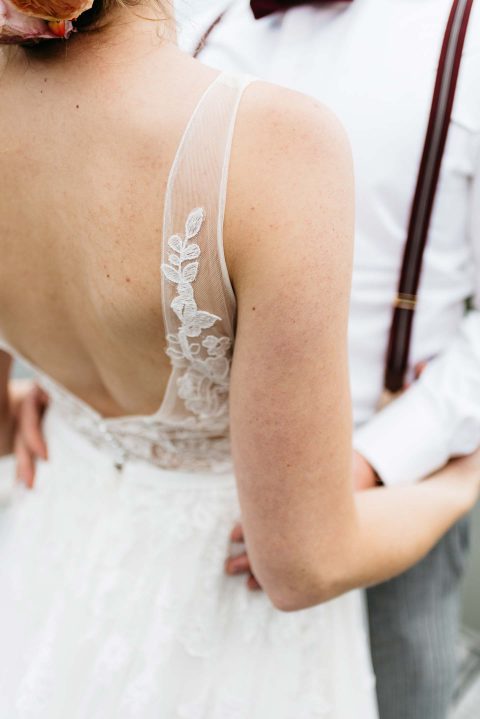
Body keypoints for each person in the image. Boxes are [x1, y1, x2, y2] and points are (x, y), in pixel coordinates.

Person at [0, 0, 478, 716]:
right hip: (270, 569)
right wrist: (467, 478)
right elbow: (308, 562)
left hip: (385, 493)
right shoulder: (237, 81)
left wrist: (401, 450)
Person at [173, 1, 480, 717]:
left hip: (385, 501)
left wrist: (375, 458)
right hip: (188, 505)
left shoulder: (467, 34)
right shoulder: (199, 25)